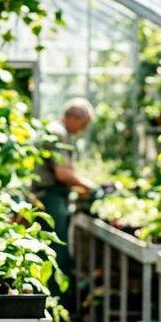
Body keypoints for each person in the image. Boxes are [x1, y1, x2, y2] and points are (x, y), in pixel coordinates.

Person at [34, 98, 96, 289]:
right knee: (56, 252)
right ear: (74, 118)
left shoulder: (55, 131)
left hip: (47, 197)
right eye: (83, 125)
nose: (82, 130)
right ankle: (55, 305)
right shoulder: (57, 133)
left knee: (47, 251)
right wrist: (90, 186)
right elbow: (62, 173)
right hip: (50, 199)